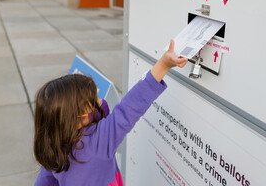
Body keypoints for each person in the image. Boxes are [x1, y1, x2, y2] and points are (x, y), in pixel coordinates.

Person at [33, 40, 187, 186]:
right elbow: (130, 107)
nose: (100, 102)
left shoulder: (54, 145)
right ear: (76, 118)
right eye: (94, 102)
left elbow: (43, 182)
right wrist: (163, 65)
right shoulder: (99, 139)